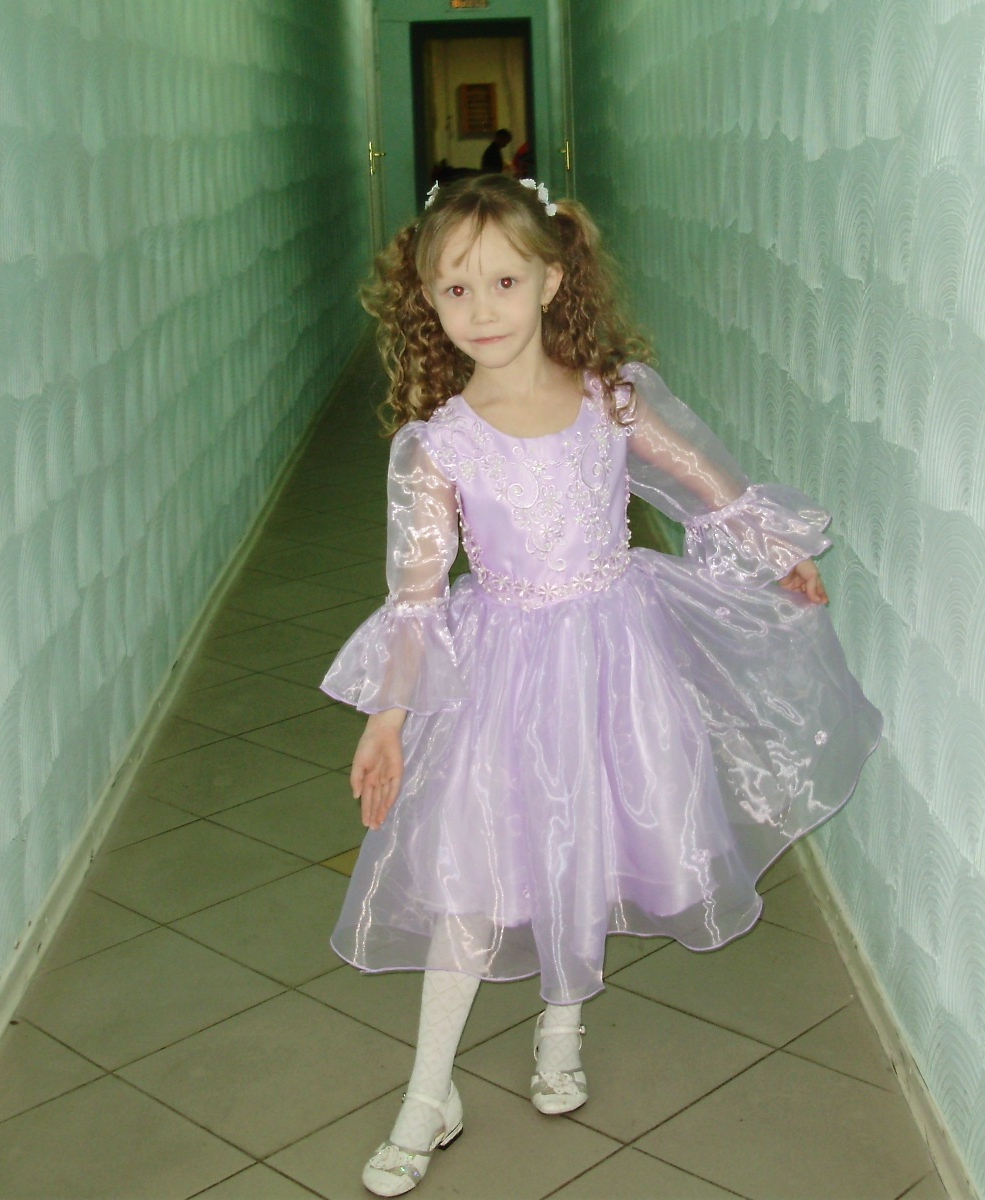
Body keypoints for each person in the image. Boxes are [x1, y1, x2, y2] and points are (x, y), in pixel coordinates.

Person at [322, 174, 882, 1196]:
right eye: (454, 290)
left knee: (588, 837)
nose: (481, 309)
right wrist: (388, 718)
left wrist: (774, 553)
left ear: (551, 280)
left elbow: (702, 478)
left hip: (616, 660)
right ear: (427, 302)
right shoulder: (437, 443)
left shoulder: (608, 399)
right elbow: (415, 596)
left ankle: (561, 1024)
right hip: (498, 676)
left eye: (503, 281)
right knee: (472, 872)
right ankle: (427, 1094)